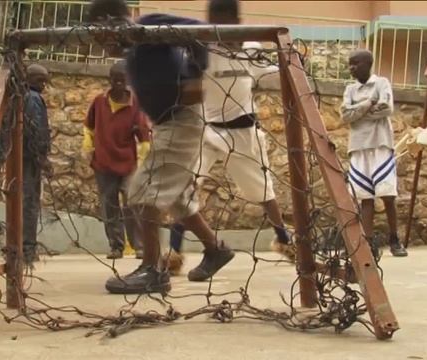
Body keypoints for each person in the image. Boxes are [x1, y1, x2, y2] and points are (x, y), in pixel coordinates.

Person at [88, 0, 236, 294]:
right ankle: (216, 249)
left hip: (181, 119)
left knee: (142, 192)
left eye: (101, 36)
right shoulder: (133, 49)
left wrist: (194, 75)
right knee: (177, 198)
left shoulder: (148, 25)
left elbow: (199, 32)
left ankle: (152, 271)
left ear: (112, 23)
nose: (102, 45)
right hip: (168, 124)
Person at [162, 0, 296, 276]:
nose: (217, 24)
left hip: (243, 131)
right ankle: (174, 254)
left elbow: (267, 70)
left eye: (223, 18)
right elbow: (186, 87)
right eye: (213, 19)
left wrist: (290, 63)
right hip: (208, 129)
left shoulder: (250, 48)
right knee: (184, 186)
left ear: (235, 20)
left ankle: (284, 240)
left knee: (263, 191)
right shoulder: (201, 49)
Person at [341, 49, 408, 257]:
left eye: (355, 63)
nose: (351, 68)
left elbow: (386, 109)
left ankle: (394, 239)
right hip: (359, 147)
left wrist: (358, 112)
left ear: (368, 64)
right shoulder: (350, 89)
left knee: (387, 194)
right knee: (364, 197)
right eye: (349, 64)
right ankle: (368, 242)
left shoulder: (382, 83)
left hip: (380, 144)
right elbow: (346, 115)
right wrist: (370, 103)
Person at [82, 61, 150, 260]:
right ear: (109, 80)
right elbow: (89, 127)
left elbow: (144, 136)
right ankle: (116, 246)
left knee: (132, 202)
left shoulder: (135, 104)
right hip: (103, 162)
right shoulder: (99, 102)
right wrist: (88, 146)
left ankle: (139, 246)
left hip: (128, 163)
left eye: (123, 80)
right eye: (115, 80)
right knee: (109, 205)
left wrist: (145, 159)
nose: (119, 83)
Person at [0, 64, 54, 266]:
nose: (43, 86)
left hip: (16, 157)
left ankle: (16, 247)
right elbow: (35, 128)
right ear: (29, 79)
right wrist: (42, 157)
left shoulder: (16, 97)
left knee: (17, 202)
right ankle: (27, 249)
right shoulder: (33, 98)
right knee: (29, 204)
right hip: (29, 159)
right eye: (40, 80)